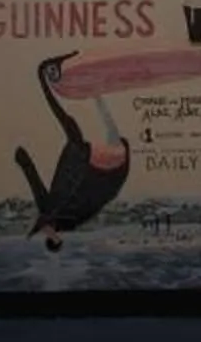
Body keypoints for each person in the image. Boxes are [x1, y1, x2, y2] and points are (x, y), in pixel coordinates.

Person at [12, 52, 130, 251]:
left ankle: (90, 93)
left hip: (102, 170)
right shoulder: (55, 217)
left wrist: (23, 161)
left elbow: (37, 186)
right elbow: (36, 184)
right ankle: (50, 77)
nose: (53, 234)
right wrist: (23, 160)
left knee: (81, 131)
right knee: (75, 132)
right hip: (92, 170)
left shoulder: (61, 219)